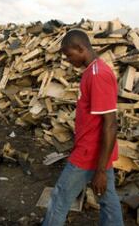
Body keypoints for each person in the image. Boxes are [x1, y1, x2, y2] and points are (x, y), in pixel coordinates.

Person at [42, 29, 124, 226]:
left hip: (89, 154)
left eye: (70, 55)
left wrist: (101, 171)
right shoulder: (92, 71)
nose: (69, 60)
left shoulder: (98, 75)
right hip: (94, 151)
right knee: (107, 198)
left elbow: (110, 124)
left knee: (60, 197)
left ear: (81, 48)